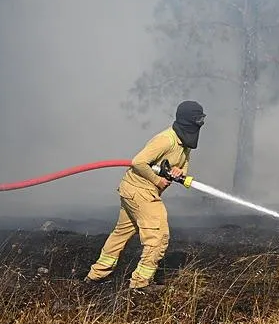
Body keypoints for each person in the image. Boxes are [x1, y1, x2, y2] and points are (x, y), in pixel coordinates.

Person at [83, 100, 206, 292]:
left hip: (134, 191)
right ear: (187, 121)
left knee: (121, 233)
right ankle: (140, 284)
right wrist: (157, 180)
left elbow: (185, 163)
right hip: (140, 191)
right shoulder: (166, 140)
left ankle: (96, 275)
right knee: (158, 236)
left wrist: (179, 171)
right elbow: (138, 162)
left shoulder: (185, 142)